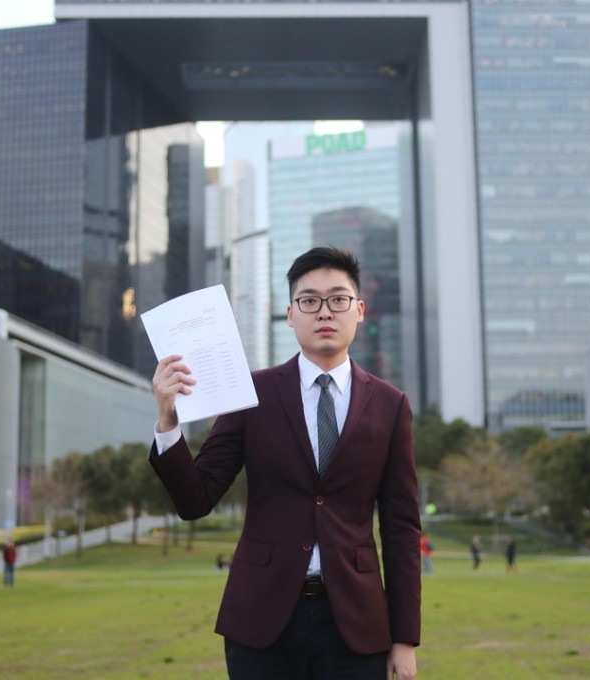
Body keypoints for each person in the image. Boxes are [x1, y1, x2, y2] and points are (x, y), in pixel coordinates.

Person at [150, 246, 421, 679]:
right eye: (309, 301)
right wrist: (168, 421)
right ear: (291, 314)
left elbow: (402, 528)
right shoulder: (250, 393)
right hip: (261, 623)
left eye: (338, 299)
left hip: (356, 623)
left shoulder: (391, 405)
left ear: (360, 310)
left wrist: (405, 639)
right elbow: (195, 500)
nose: (325, 312)